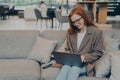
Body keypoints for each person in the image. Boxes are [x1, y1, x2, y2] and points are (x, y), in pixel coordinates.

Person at [54, 7, 104, 80]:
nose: (76, 24)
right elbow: (68, 49)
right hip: (71, 62)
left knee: (75, 69)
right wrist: (67, 56)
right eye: (73, 22)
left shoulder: (97, 32)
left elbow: (98, 52)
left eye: (77, 20)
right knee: (65, 68)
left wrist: (84, 57)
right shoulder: (70, 33)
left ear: (84, 16)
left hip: (86, 64)